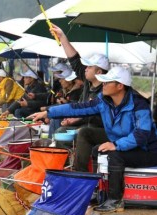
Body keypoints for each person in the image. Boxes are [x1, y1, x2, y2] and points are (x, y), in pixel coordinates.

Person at [29, 66, 157, 213]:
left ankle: (115, 200)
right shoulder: (104, 101)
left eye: (107, 82)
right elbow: (77, 108)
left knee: (115, 155)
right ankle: (93, 188)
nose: (103, 84)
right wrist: (48, 112)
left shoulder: (139, 105)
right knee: (93, 143)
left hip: (147, 150)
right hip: (124, 143)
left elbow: (142, 134)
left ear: (120, 86)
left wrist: (115, 144)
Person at [50, 24, 109, 172]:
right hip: (85, 124)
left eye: (89, 67)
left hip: (99, 128)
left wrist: (77, 119)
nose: (86, 69)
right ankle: (62, 168)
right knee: (62, 131)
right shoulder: (89, 81)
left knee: (79, 132)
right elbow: (75, 60)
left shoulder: (108, 89)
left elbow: (101, 117)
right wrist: (62, 37)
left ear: (99, 71)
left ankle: (78, 172)